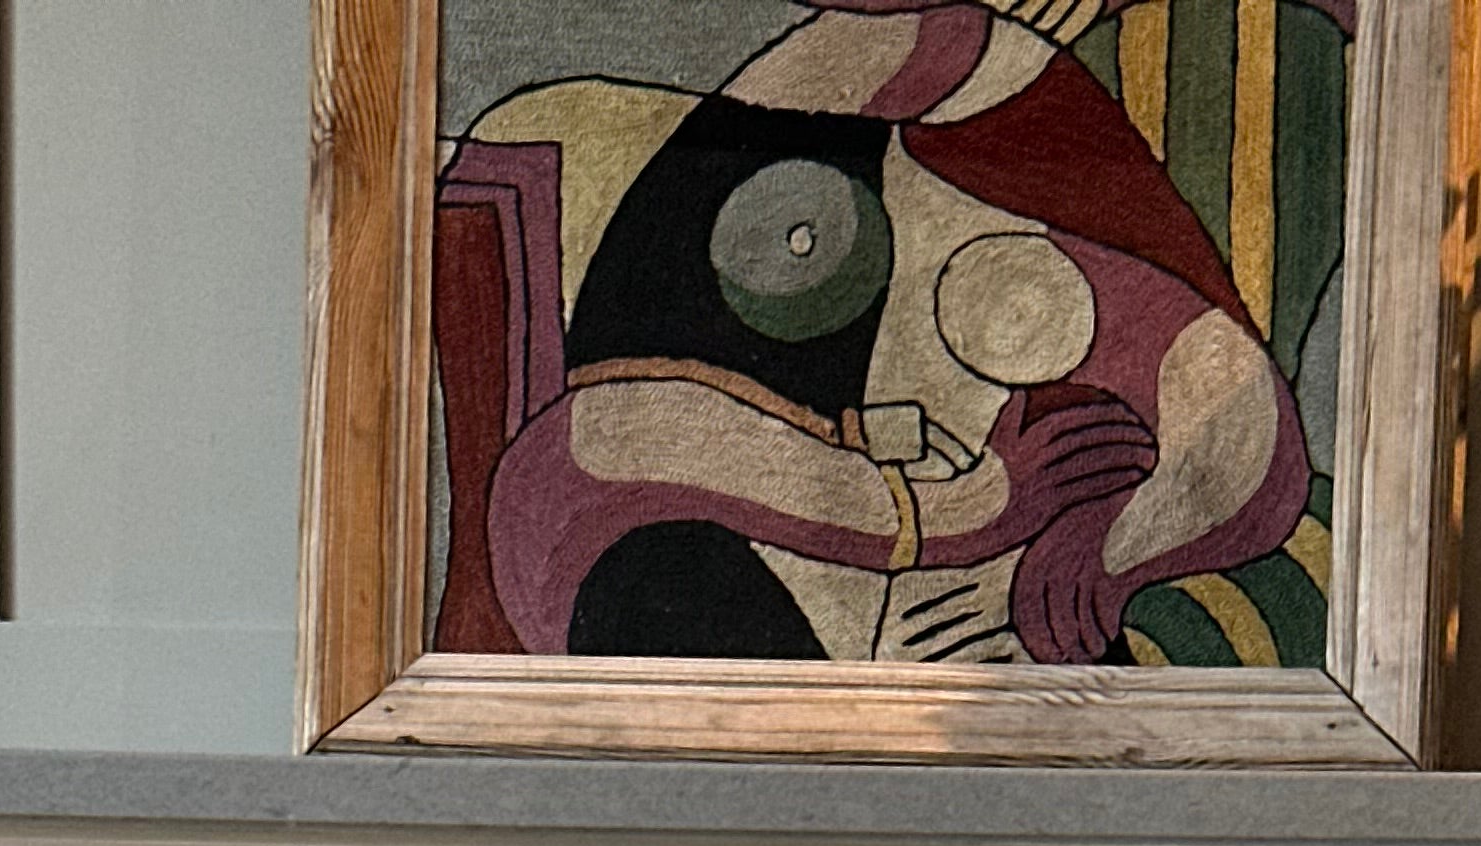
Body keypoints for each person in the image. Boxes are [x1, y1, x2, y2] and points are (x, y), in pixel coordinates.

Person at [433, 0, 1313, 665]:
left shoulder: (1011, 106)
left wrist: (1105, 556)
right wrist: (948, 514)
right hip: (712, 628)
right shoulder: (754, 133)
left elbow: (1241, 421)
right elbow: (577, 467)